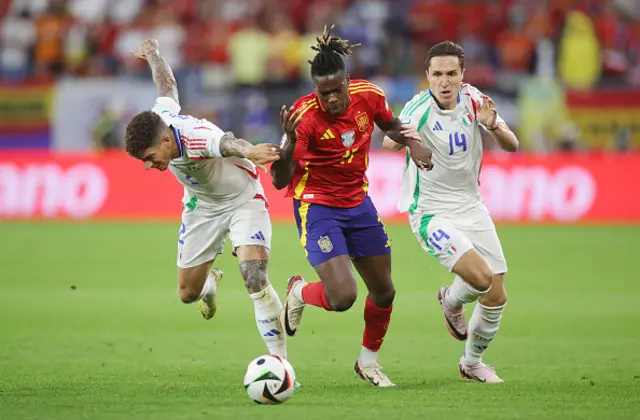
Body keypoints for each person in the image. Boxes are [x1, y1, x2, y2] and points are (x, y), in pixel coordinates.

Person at [271, 25, 433, 388]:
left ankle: (368, 362)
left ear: (347, 81)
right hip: (317, 206)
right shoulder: (303, 117)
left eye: (337, 90)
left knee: (385, 291)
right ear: (316, 89)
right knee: (343, 297)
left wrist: (413, 144)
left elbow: (391, 125)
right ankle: (299, 291)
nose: (331, 99)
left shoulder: (369, 96)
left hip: (358, 201)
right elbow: (280, 181)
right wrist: (289, 143)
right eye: (323, 92)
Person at [124, 39, 288, 361]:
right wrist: (154, 53)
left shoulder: (196, 135)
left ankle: (280, 364)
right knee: (187, 294)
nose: (148, 165)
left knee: (254, 276)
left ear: (167, 141)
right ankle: (210, 282)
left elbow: (227, 142)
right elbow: (167, 84)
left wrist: (250, 151)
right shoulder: (161, 118)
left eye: (149, 156)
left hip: (243, 199)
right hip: (202, 207)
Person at [383, 41, 519, 383]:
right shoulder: (418, 106)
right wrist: (409, 139)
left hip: (472, 205)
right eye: (438, 75)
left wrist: (494, 125)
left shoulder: (475, 101)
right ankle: (452, 299)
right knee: (480, 278)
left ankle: (472, 363)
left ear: (462, 75)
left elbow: (512, 146)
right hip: (431, 212)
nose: (445, 82)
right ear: (427, 76)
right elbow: (388, 142)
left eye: (452, 74)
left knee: (496, 294)